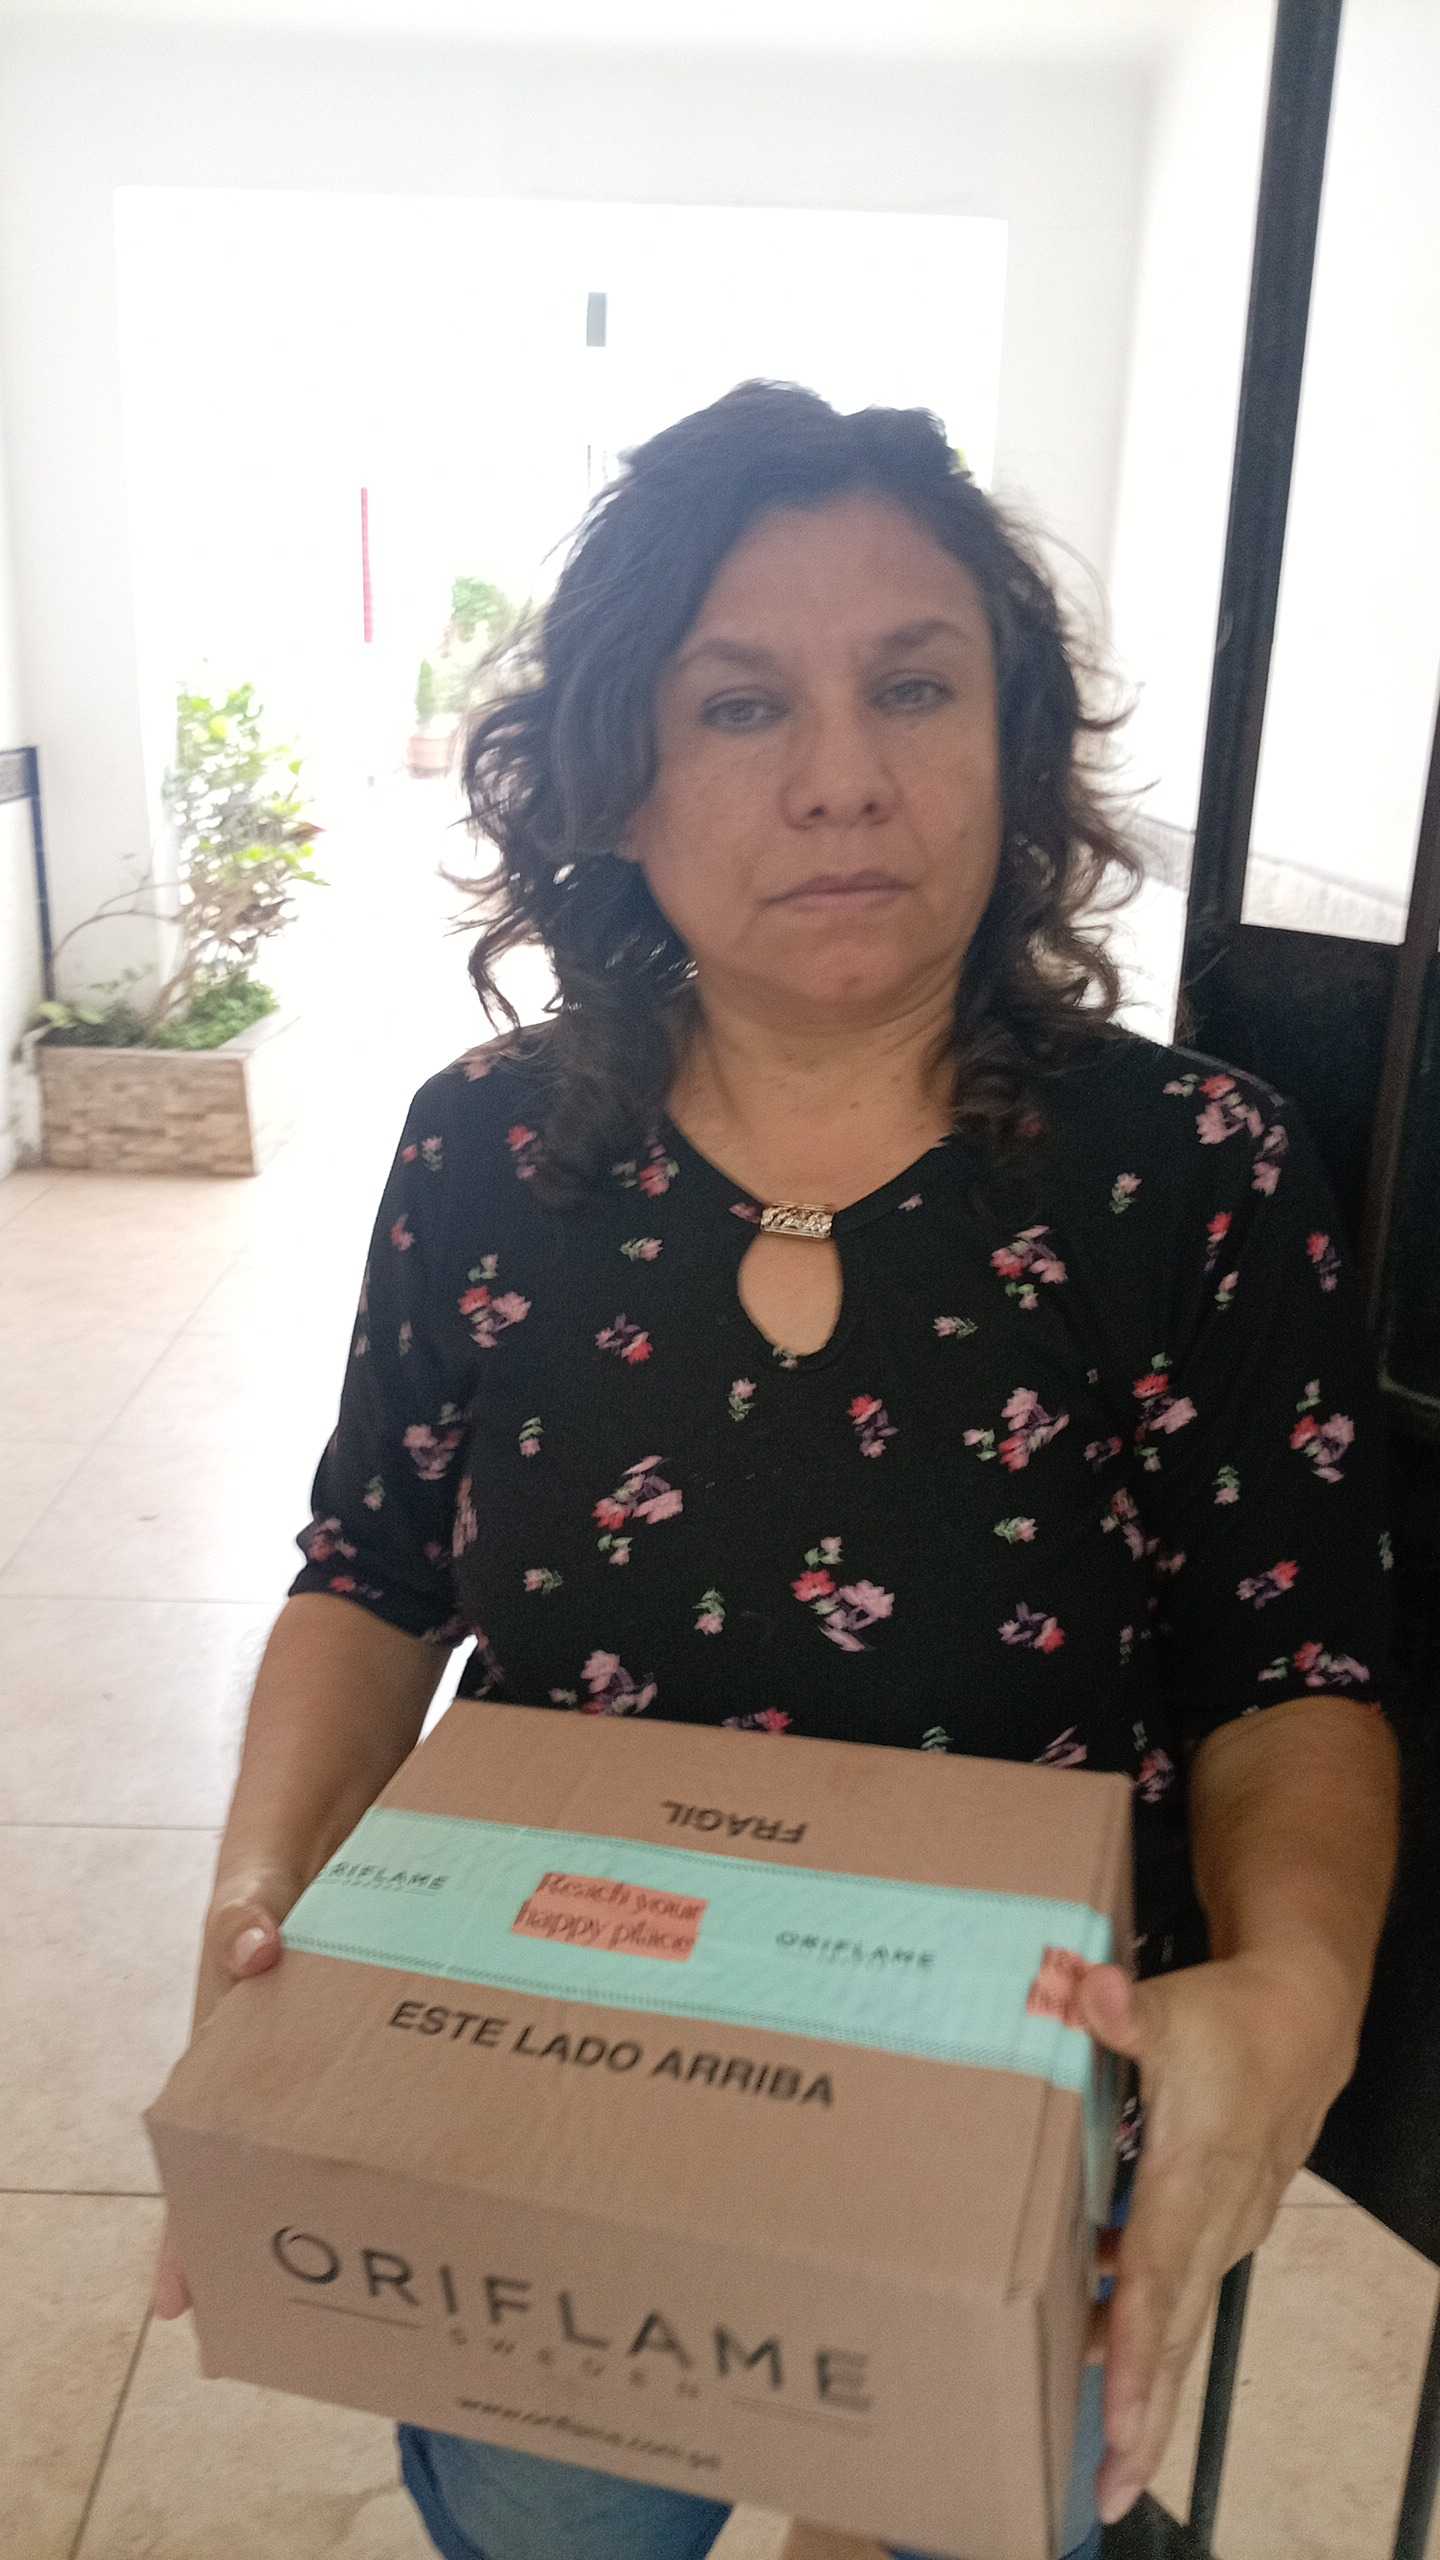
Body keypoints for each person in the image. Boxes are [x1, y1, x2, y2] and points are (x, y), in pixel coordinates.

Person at [154, 383, 1398, 2560]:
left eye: (914, 687)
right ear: (617, 778)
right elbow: (371, 1568)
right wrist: (261, 1890)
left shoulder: (1188, 1171)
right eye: (741, 705)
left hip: (1011, 2121)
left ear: (1014, 742)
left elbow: (1288, 1668)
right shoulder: (486, 1151)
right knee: (559, 2516)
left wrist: (1300, 1982)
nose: (842, 777)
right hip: (545, 2097)